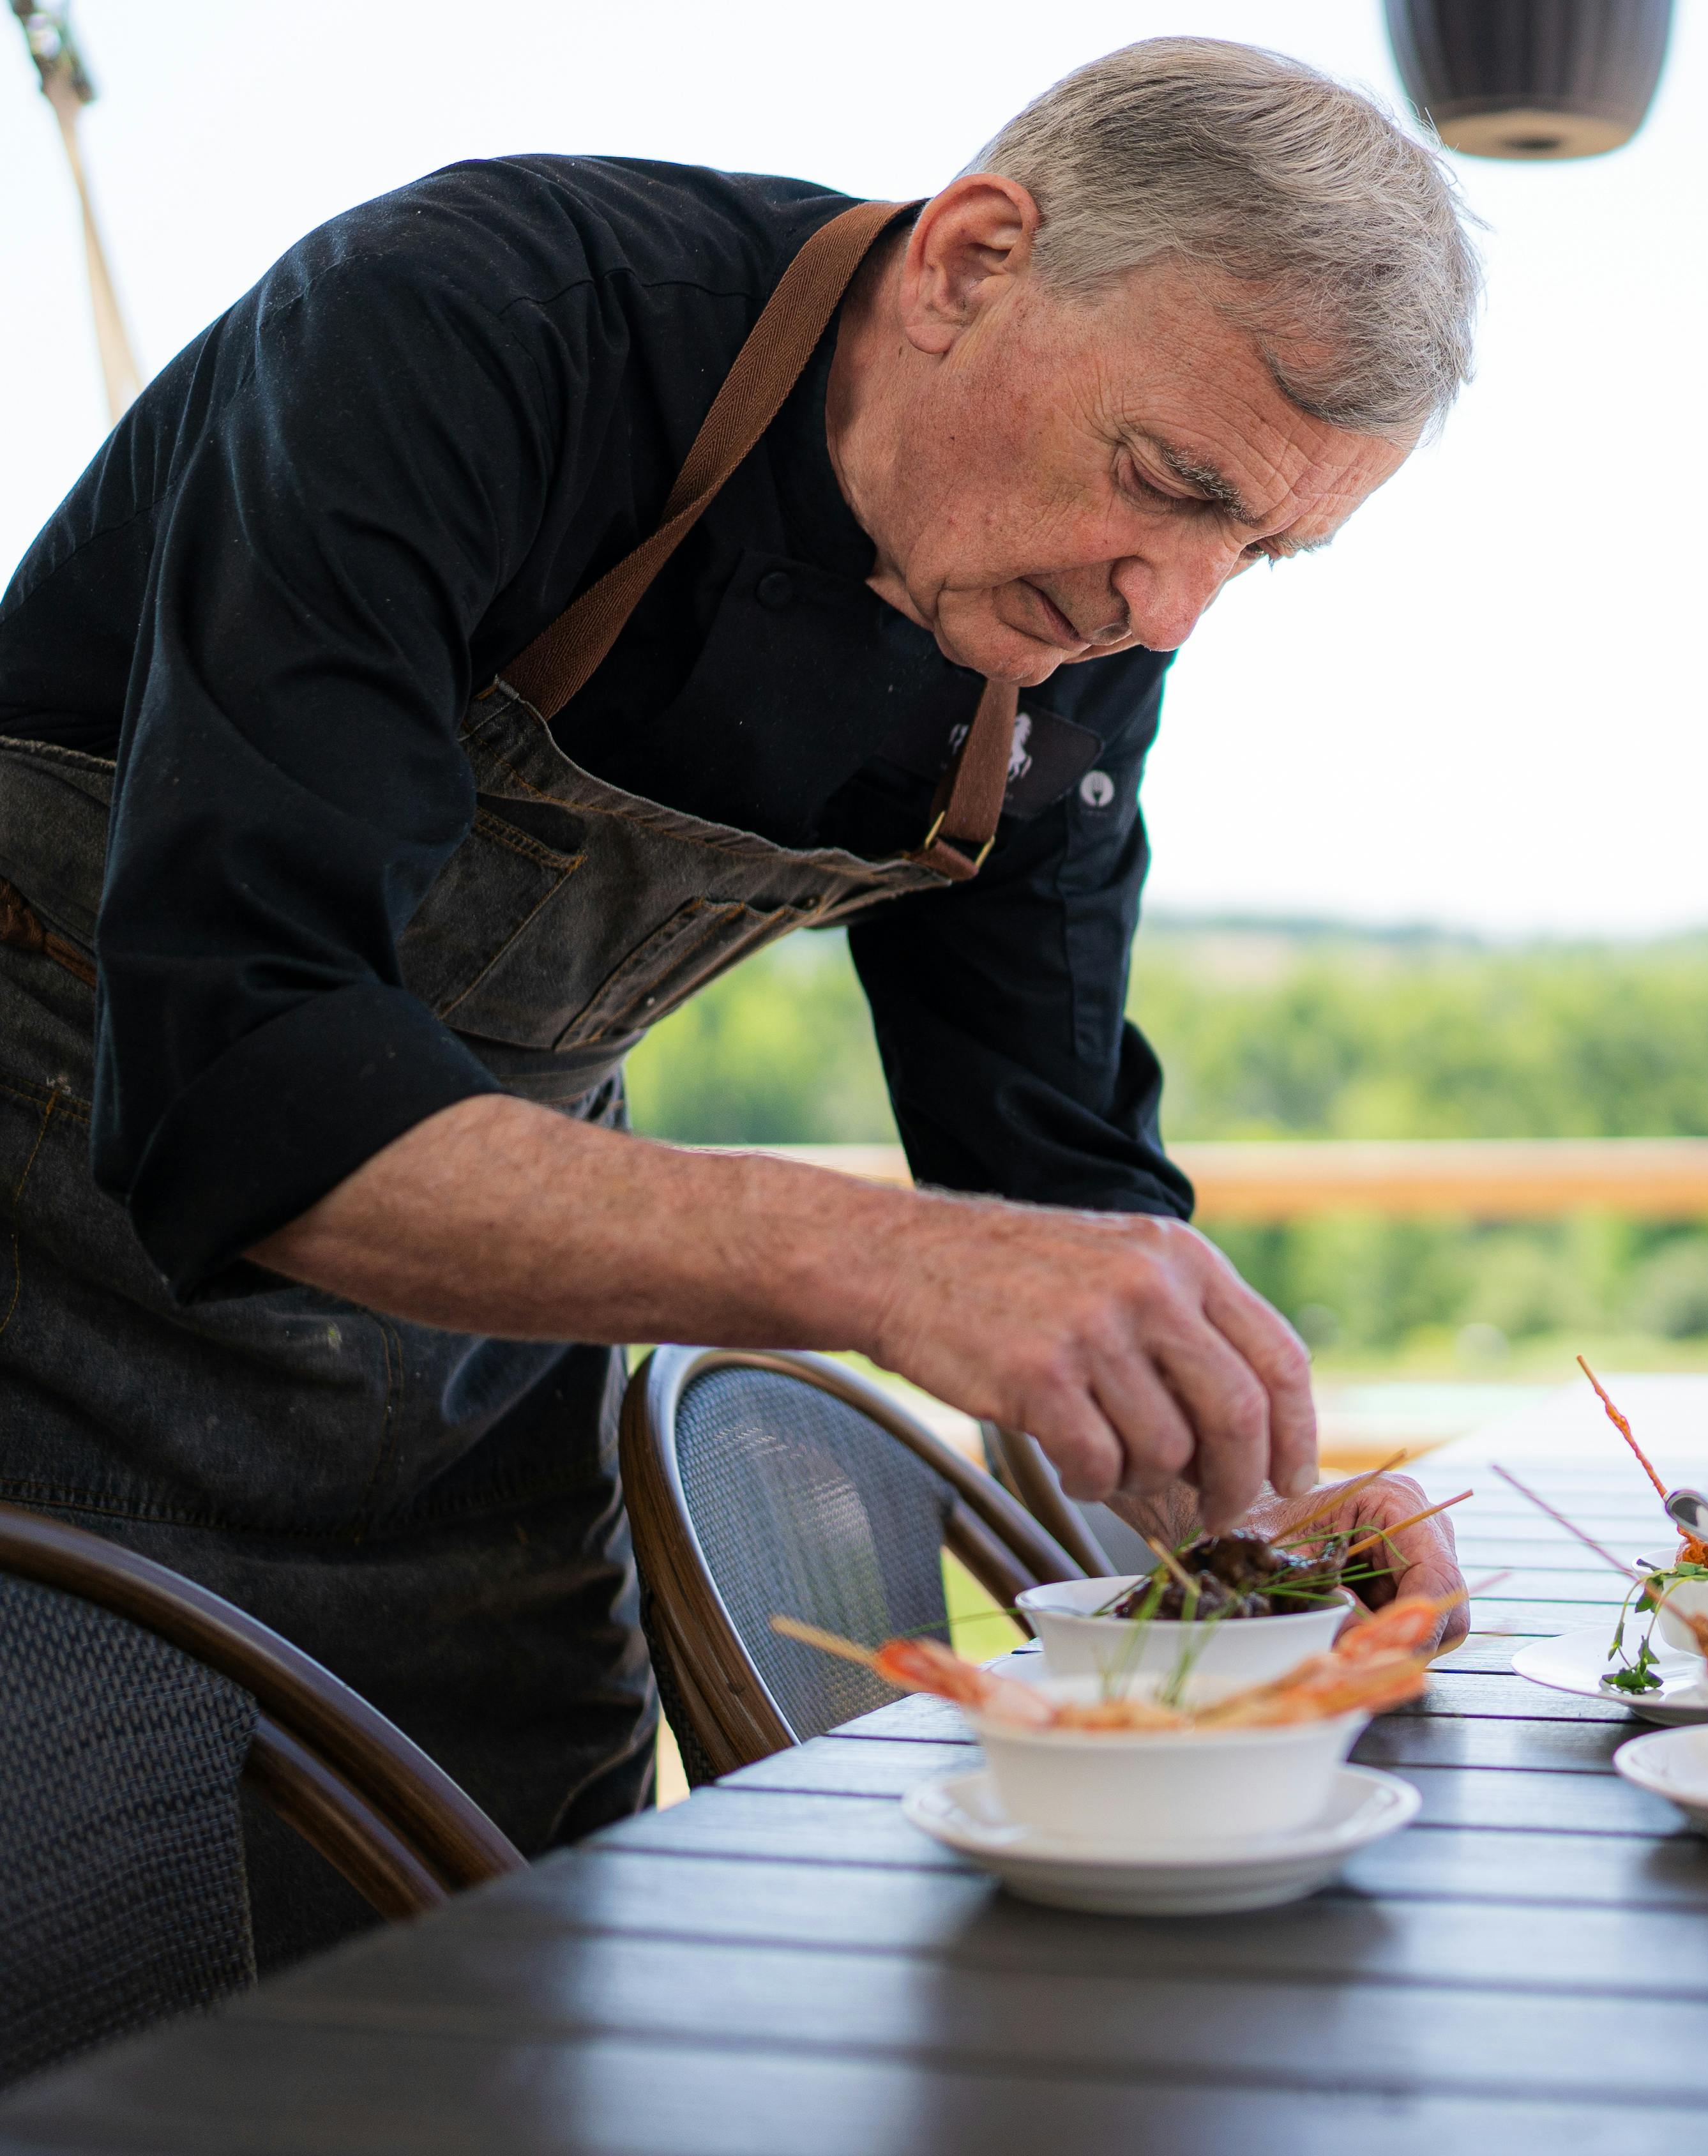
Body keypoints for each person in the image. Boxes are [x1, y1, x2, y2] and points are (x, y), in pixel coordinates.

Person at [0, 38, 1476, 1955]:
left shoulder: (1071, 609)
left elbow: (1046, 1163)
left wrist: (1250, 1519)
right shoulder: (473, 330)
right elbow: (241, 1069)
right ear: (968, 261)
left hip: (470, 1401)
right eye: (1168, 483)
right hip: (44, 1319)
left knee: (511, 2003)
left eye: (1258, 550)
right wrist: (880, 1264)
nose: (1169, 609)